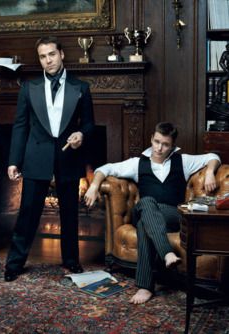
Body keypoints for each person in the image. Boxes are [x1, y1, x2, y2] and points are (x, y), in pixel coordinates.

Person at [84, 122, 220, 304]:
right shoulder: (137, 163)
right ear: (151, 139)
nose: (159, 148)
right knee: (147, 203)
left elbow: (213, 156)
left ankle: (145, 287)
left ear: (172, 145)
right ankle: (167, 253)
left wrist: (210, 171)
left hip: (173, 215)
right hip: (145, 211)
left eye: (165, 144)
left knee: (144, 224)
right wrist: (94, 186)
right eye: (156, 142)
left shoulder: (183, 161)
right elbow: (105, 169)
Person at [4, 36, 95, 282]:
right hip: (36, 156)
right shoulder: (28, 88)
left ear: (62, 54)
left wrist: (81, 134)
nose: (48, 60)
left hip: (68, 155)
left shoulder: (81, 88)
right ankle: (13, 264)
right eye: (43, 56)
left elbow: (88, 125)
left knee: (69, 214)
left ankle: (71, 260)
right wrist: (14, 161)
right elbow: (20, 126)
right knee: (28, 213)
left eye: (52, 54)